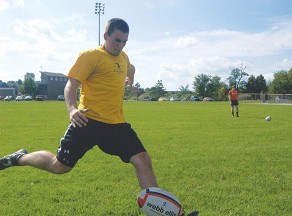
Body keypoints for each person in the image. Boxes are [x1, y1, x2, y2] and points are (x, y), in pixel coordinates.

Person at [0, 18, 199, 216]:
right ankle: (20, 158)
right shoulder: (91, 56)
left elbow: (131, 67)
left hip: (116, 125)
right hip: (87, 121)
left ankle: (165, 214)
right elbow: (71, 85)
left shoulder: (123, 57)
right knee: (59, 166)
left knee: (143, 160)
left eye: (124, 42)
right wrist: (72, 110)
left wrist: (131, 80)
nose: (120, 46)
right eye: (117, 40)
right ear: (106, 36)